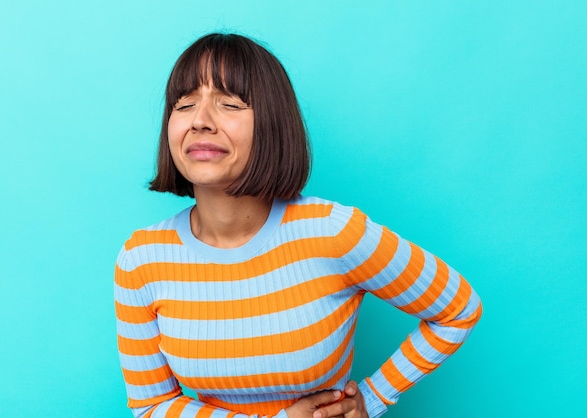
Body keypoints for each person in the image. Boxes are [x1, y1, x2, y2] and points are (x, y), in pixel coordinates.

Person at [114, 33, 482, 418]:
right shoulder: (141, 260)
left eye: (229, 103)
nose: (200, 121)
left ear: (272, 123)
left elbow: (458, 309)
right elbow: (152, 405)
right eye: (185, 103)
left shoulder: (333, 232)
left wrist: (371, 400)